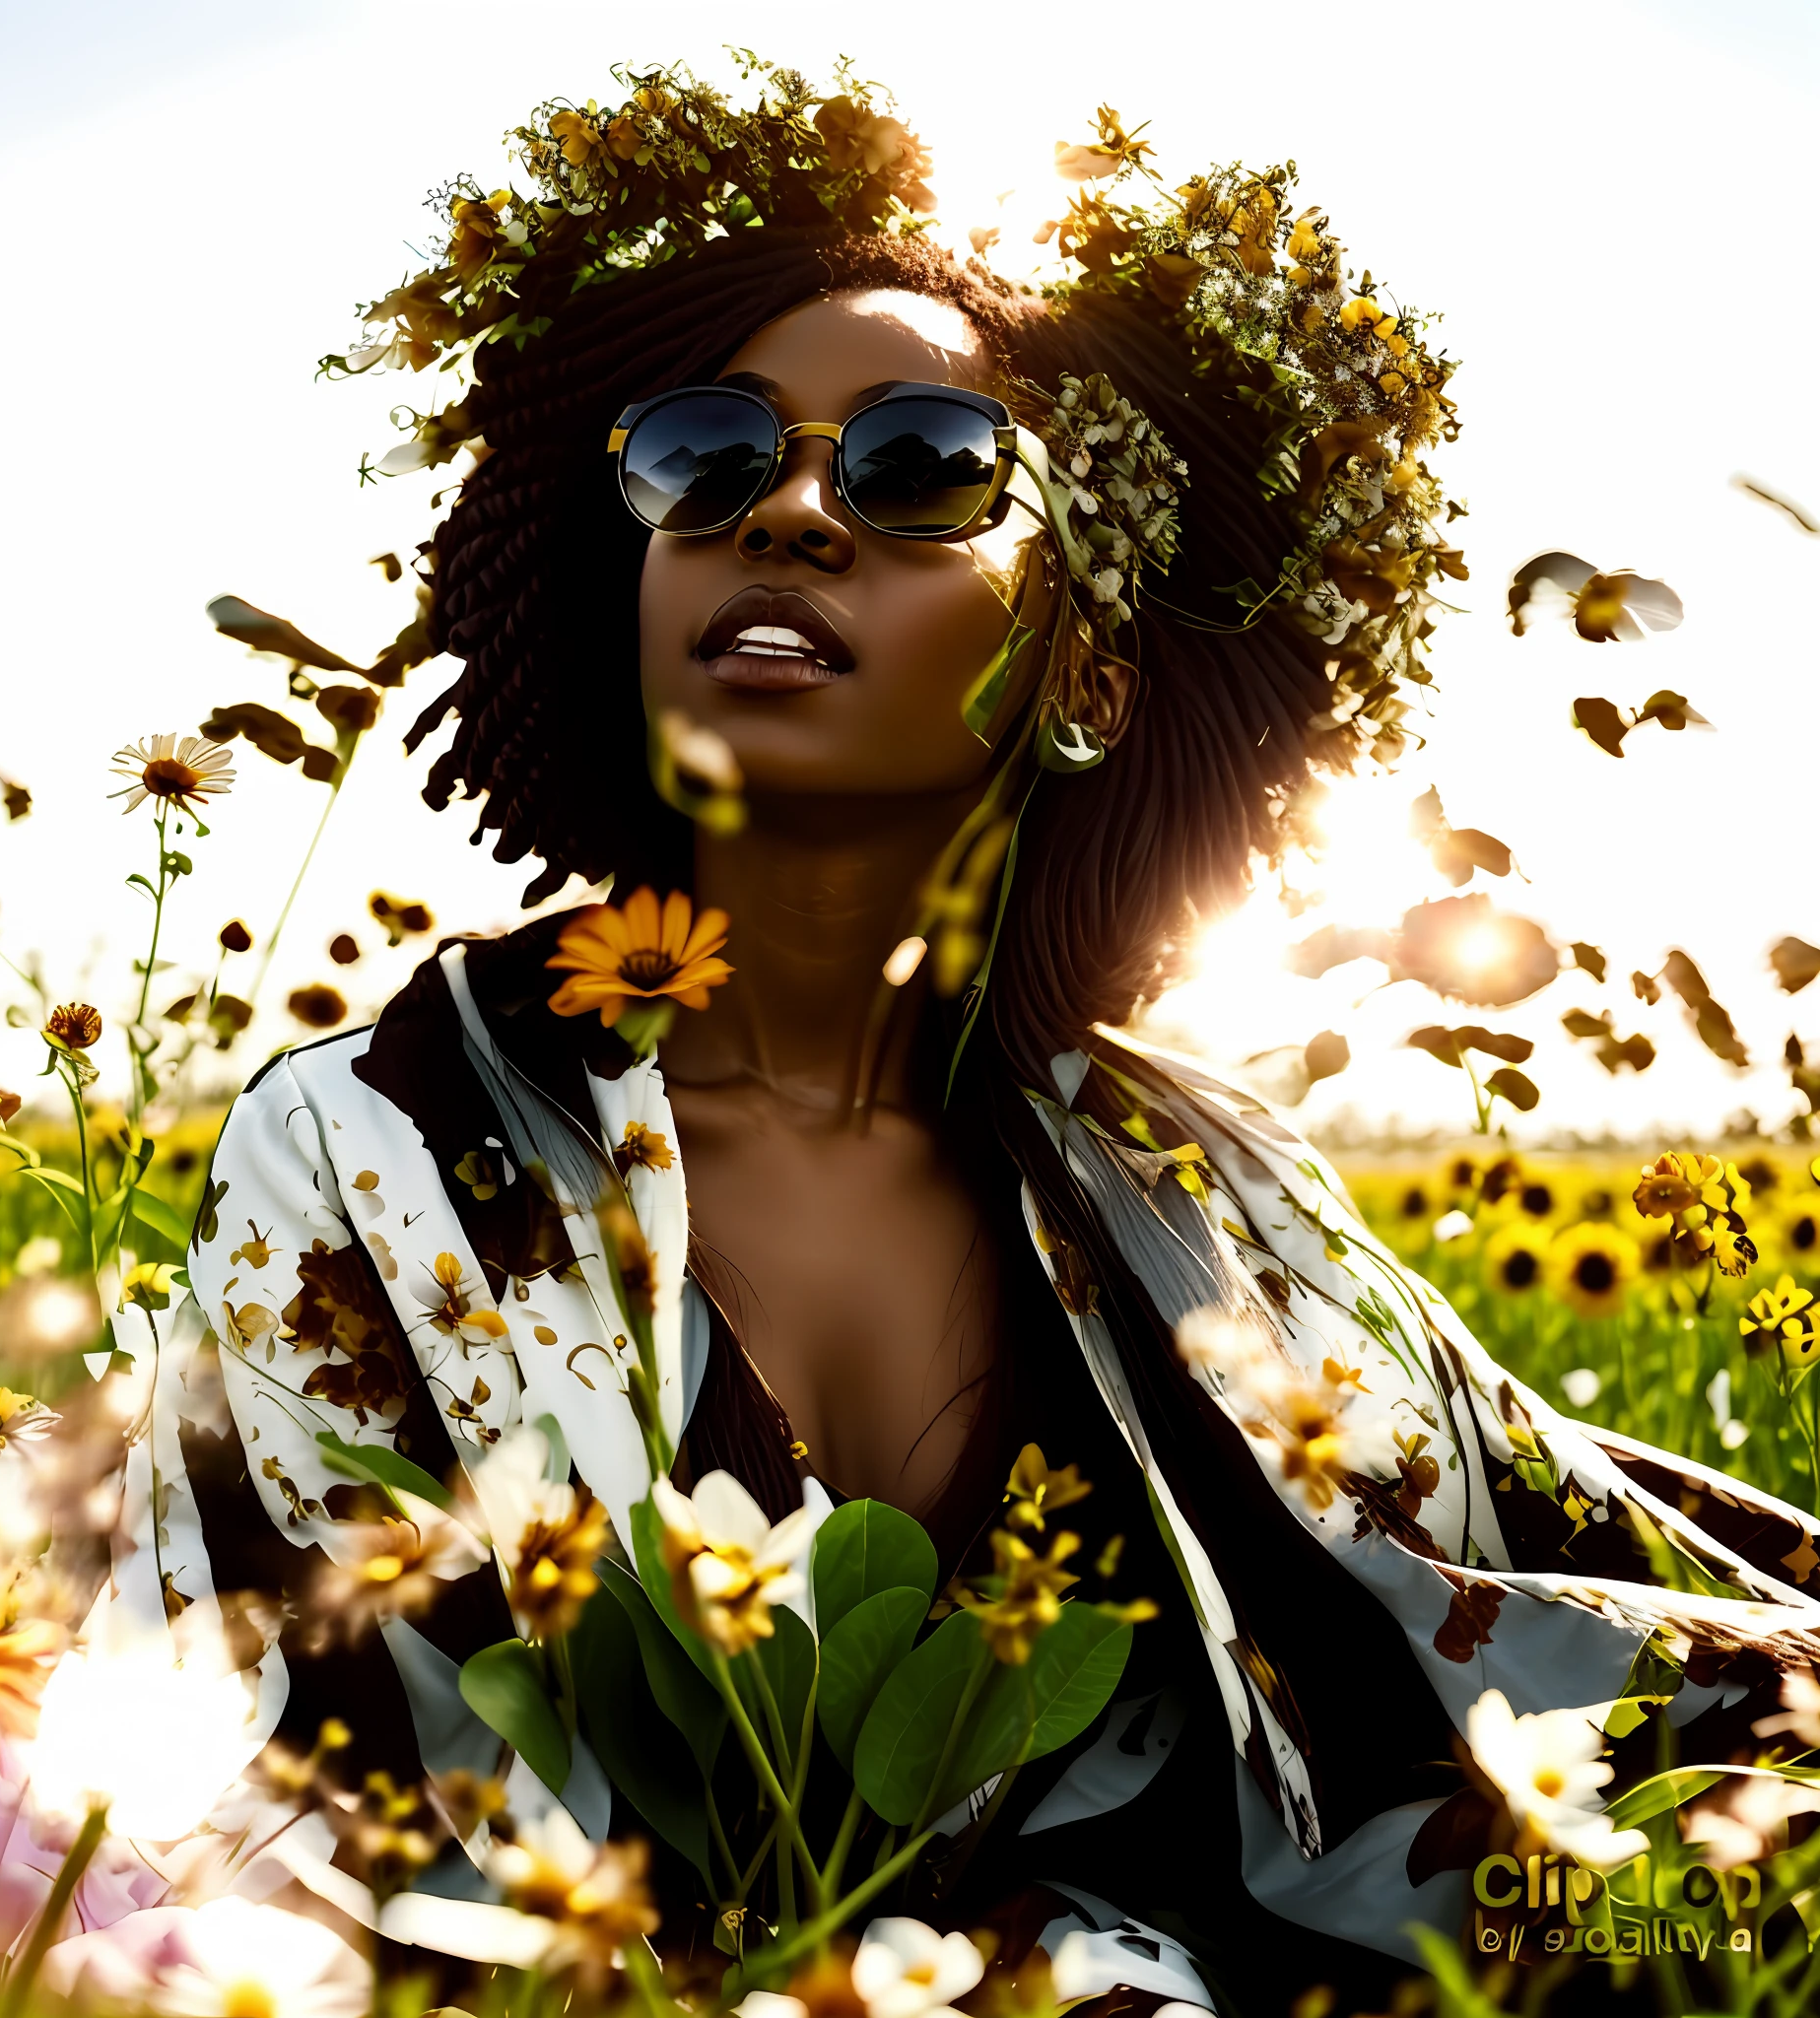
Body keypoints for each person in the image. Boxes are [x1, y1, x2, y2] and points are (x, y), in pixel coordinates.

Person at [156, 61, 1820, 2012]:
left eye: (922, 465)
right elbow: (282, 1797)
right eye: (707, 454)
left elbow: (1548, 1544)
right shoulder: (374, 1147)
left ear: (1090, 672)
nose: (784, 504)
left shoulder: (1199, 1176)